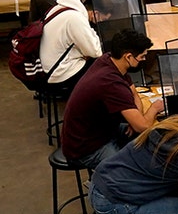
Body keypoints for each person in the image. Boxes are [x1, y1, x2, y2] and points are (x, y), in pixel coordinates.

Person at [60, 29, 164, 169]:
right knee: (129, 171)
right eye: (142, 57)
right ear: (128, 57)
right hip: (86, 149)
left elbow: (133, 93)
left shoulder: (109, 61)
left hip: (102, 132)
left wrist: (134, 119)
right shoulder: (111, 83)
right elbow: (143, 126)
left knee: (153, 138)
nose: (144, 60)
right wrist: (154, 108)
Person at [39, 0, 113, 93]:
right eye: (102, 20)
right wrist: (92, 33)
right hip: (59, 73)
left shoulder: (62, 7)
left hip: (48, 67)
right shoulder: (77, 18)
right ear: (95, 13)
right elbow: (96, 52)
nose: (101, 23)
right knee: (106, 65)